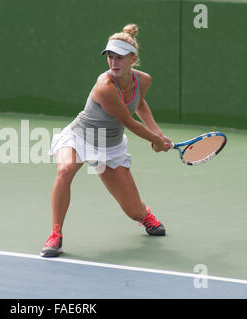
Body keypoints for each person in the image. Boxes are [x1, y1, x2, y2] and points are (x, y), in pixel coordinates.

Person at [40, 24, 173, 258]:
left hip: (109, 147)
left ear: (133, 59)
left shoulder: (144, 80)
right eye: (110, 56)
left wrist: (157, 134)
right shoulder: (105, 86)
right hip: (79, 137)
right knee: (65, 170)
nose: (113, 62)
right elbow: (130, 123)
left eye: (120, 57)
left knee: (133, 211)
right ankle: (56, 235)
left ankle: (145, 215)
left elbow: (139, 105)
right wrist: (155, 141)